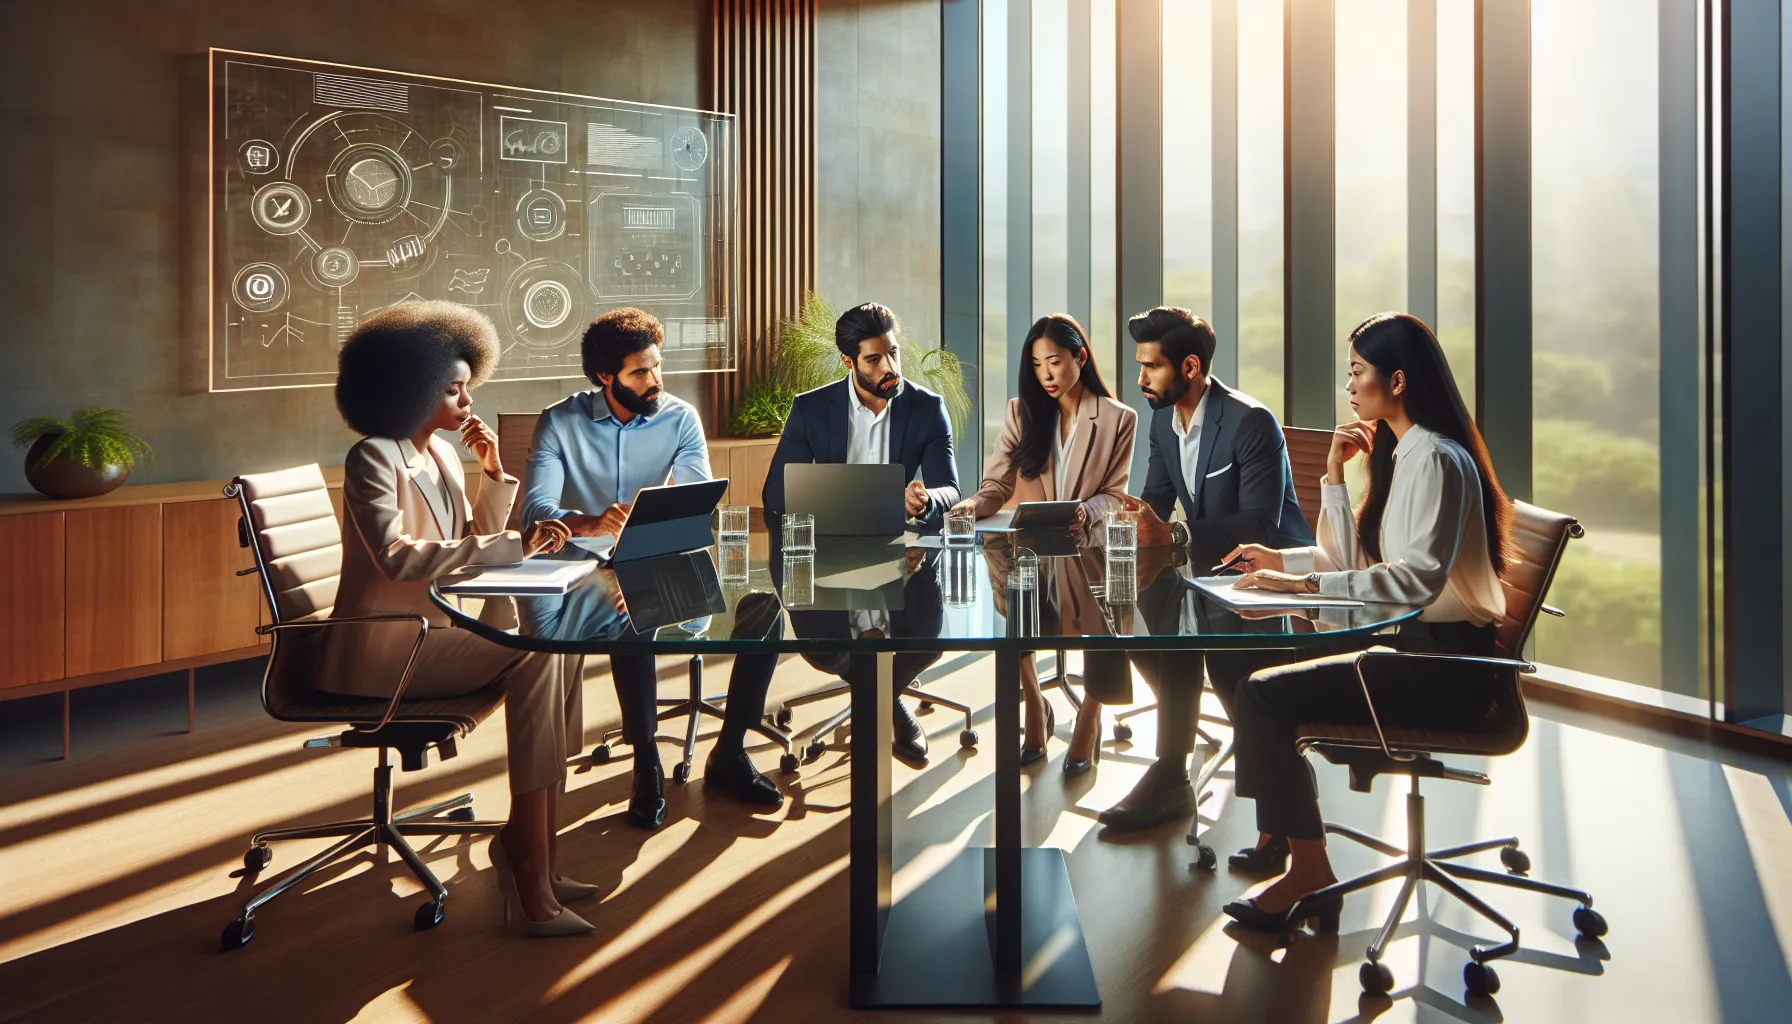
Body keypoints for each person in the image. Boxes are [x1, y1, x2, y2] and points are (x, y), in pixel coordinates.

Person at [1213, 311, 1513, 931]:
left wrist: (1300, 583)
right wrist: (1331, 480)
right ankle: (1282, 830)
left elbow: (1411, 583)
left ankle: (1308, 869)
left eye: (1357, 372)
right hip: (1413, 650)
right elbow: (1364, 565)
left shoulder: (1435, 459)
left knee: (1264, 695)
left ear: (1397, 381)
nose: (1348, 386)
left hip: (1449, 669)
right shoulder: (1407, 454)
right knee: (1239, 660)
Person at [325, 300, 591, 937]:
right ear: (408, 389)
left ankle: (540, 845)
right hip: (384, 648)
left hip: (437, 634)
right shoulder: (373, 458)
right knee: (536, 655)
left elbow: (474, 538)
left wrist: (494, 475)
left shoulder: (441, 455)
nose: (467, 400)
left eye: (470, 385)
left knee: (564, 640)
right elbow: (398, 560)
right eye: (452, 388)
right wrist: (515, 546)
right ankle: (525, 865)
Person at [524, 307, 785, 830]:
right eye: (640, 372)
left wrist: (650, 524)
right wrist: (590, 522)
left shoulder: (679, 417)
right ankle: (646, 760)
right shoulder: (560, 420)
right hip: (590, 572)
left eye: (657, 367)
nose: (656, 381)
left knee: (766, 611)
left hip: (665, 560)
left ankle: (729, 751)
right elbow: (536, 510)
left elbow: (694, 502)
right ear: (605, 377)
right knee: (630, 619)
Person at [1084, 306, 1315, 833]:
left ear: (1189, 367)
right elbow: (1156, 503)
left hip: (1266, 577)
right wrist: (1124, 527)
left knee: (1215, 663)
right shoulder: (1163, 423)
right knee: (1120, 609)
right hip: (1205, 571)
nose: (1139, 378)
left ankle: (1283, 818)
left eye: (1151, 366)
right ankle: (1170, 774)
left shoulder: (1249, 421)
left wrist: (1174, 536)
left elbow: (1260, 520)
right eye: (1139, 365)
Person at [762, 301, 961, 763]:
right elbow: (776, 493)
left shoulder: (926, 408)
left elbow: (950, 488)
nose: (889, 366)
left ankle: (876, 699)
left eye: (893, 352)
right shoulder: (812, 409)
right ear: (849, 362)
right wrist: (870, 502)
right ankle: (889, 707)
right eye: (874, 359)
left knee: (929, 640)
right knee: (825, 645)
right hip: (829, 548)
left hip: (901, 549)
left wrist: (926, 500)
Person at [952, 313, 1135, 766]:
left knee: (1108, 605)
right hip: (1031, 547)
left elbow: (1116, 495)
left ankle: (1090, 715)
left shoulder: (1117, 418)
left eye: (1053, 361)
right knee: (1020, 596)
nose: (1045, 375)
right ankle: (1034, 702)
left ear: (1080, 356)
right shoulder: (1022, 412)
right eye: (1036, 365)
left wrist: (1087, 509)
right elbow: (996, 485)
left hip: (1090, 546)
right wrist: (971, 506)